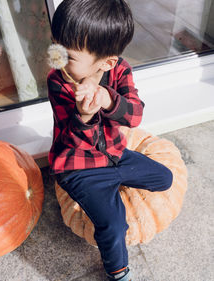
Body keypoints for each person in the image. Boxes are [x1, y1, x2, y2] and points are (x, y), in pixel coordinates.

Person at [47, 0, 173, 280]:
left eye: (68, 55)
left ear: (107, 62)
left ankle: (113, 186)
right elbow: (76, 142)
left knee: (165, 179)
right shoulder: (59, 81)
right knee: (114, 225)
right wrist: (86, 116)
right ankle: (118, 273)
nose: (57, 59)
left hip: (115, 153)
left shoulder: (120, 70)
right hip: (78, 167)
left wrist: (109, 100)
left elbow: (135, 114)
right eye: (56, 47)